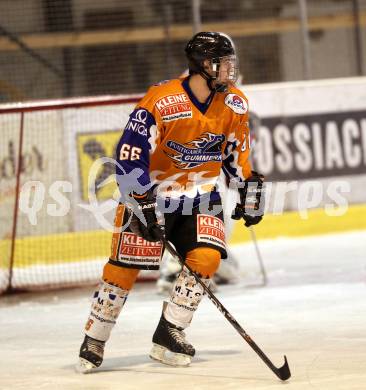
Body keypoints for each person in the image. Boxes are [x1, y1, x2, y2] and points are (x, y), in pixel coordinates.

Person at [77, 31, 265, 373]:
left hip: (202, 194)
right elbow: (129, 155)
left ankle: (170, 331)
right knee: (124, 269)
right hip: (152, 195)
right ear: (203, 66)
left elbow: (236, 151)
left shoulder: (235, 102)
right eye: (222, 64)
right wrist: (141, 200)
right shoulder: (161, 101)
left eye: (230, 64)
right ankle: (95, 336)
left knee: (207, 258)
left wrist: (248, 187)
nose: (229, 71)